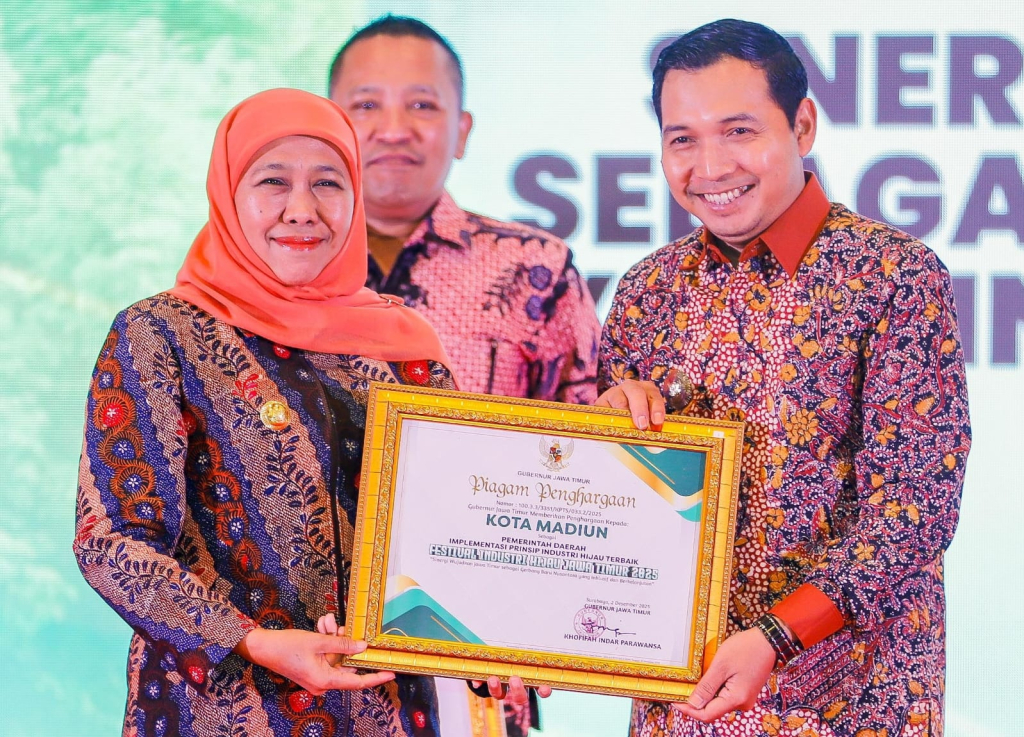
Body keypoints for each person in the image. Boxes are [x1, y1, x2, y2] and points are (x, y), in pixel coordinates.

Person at [73, 88, 527, 736]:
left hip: (390, 714)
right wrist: (251, 640)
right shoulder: (161, 335)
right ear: (229, 193)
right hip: (223, 712)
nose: (302, 209)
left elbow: (466, 531)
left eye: (327, 183)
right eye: (273, 181)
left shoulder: (406, 349)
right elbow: (111, 543)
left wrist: (518, 628)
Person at [596, 19, 971, 737]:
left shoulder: (891, 275)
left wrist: (776, 634)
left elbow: (916, 507)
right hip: (683, 705)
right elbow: (610, 514)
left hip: (855, 704)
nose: (710, 167)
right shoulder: (648, 290)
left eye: (738, 131)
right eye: (682, 139)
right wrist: (608, 431)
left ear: (802, 126)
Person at [327, 15, 601, 407]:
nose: (393, 131)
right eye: (366, 105)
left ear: (462, 131)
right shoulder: (280, 260)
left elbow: (589, 425)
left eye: (422, 105)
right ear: (326, 127)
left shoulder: (538, 267)